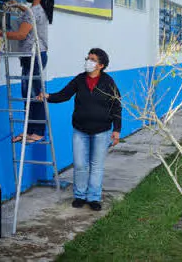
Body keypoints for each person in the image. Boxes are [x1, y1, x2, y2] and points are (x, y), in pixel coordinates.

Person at [39, 48, 122, 211]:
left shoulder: (108, 82)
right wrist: (48, 96)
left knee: (96, 165)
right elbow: (64, 95)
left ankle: (94, 198)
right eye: (87, 58)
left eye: (92, 59)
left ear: (101, 65)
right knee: (79, 164)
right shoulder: (80, 79)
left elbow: (117, 106)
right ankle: (79, 195)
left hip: (102, 131)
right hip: (80, 130)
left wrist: (117, 130)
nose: (88, 61)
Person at [6, 0, 54, 144]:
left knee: (34, 94)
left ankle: (38, 131)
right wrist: (20, 7)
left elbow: (21, 34)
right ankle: (29, 130)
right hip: (31, 56)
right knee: (28, 94)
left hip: (35, 56)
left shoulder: (34, 12)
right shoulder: (35, 9)